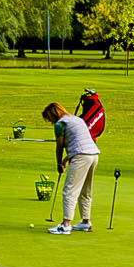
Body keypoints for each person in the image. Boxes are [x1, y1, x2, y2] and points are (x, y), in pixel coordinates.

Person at [44, 100, 98, 234]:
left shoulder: (60, 124)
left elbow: (60, 146)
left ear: (52, 114)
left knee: (69, 190)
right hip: (93, 155)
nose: (49, 121)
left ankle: (66, 224)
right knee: (85, 190)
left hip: (81, 156)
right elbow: (79, 142)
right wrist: (66, 159)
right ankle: (86, 222)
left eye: (49, 118)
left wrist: (58, 163)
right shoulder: (77, 120)